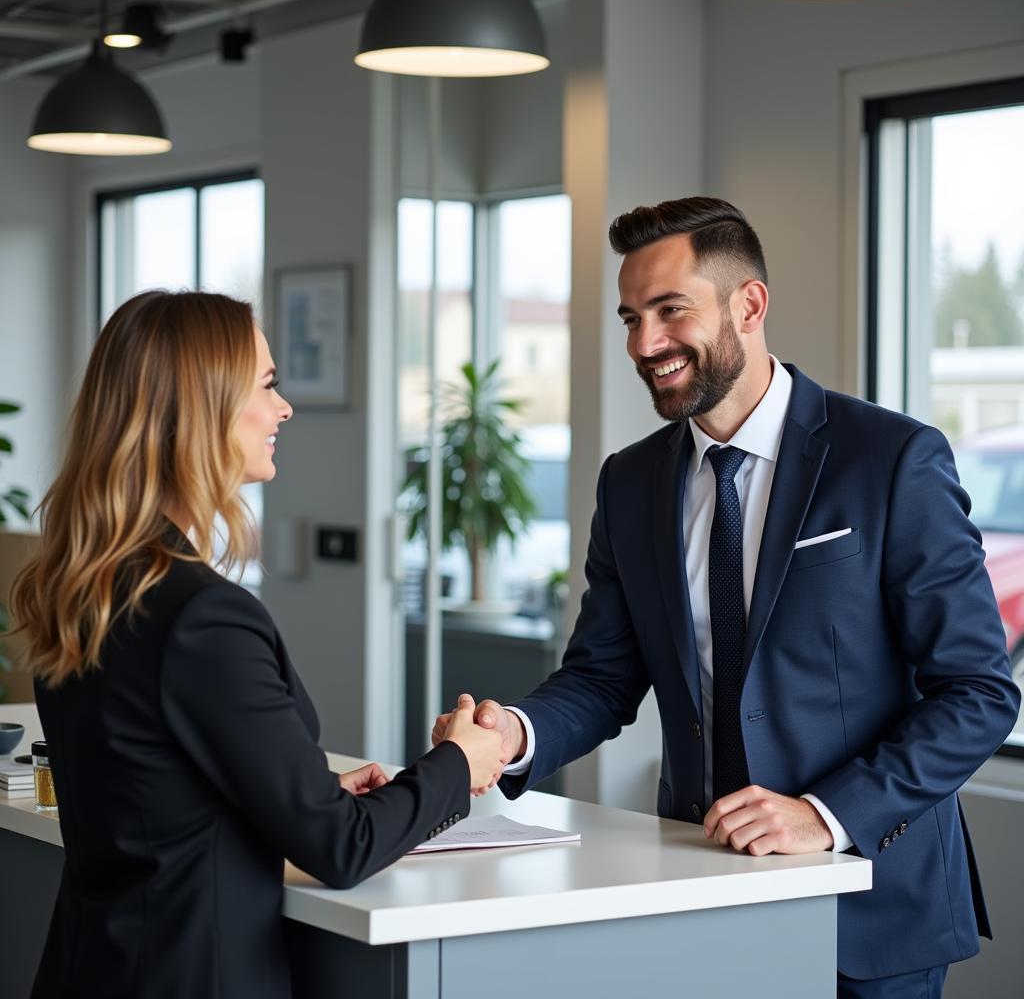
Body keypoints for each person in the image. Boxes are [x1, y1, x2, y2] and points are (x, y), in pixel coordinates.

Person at [432, 198, 1020, 997]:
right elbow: (605, 676)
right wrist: (516, 735)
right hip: (697, 890)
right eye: (631, 318)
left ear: (750, 303)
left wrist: (826, 813)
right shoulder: (631, 481)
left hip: (873, 903)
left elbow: (978, 692)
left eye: (671, 310)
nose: (645, 344)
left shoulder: (891, 459)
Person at [10, 291, 504, 999]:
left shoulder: (92, 589)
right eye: (267, 384)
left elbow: (148, 788)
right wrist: (460, 761)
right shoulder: (204, 617)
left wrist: (305, 790)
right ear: (198, 408)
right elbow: (342, 848)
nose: (285, 408)